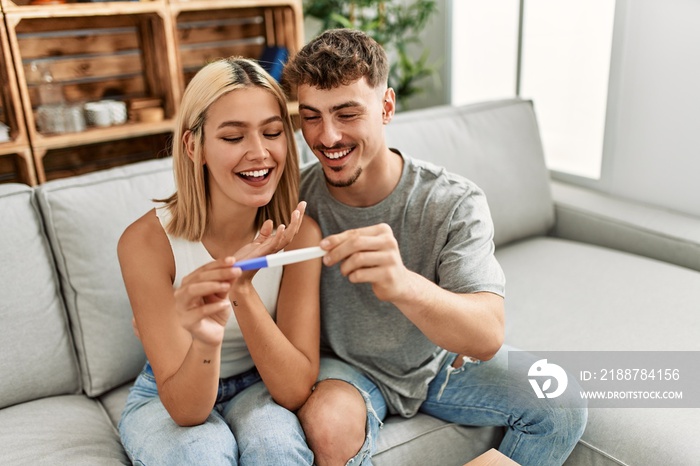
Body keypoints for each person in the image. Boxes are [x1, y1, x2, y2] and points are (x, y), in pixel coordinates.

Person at [282, 28, 588, 465]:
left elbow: (486, 335)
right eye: (311, 116)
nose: (327, 137)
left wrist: (403, 284)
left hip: (441, 363)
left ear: (386, 107)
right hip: (344, 366)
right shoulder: (294, 199)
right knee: (328, 424)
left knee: (560, 404)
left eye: (347, 114)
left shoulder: (452, 201)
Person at [117, 57, 322, 465]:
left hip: (257, 384)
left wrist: (241, 288)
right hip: (171, 391)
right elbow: (187, 410)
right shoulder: (145, 244)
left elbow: (296, 388)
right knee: (203, 456)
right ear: (195, 147)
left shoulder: (301, 234)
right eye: (233, 137)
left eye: (273, 132)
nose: (260, 152)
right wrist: (208, 335)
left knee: (277, 452)